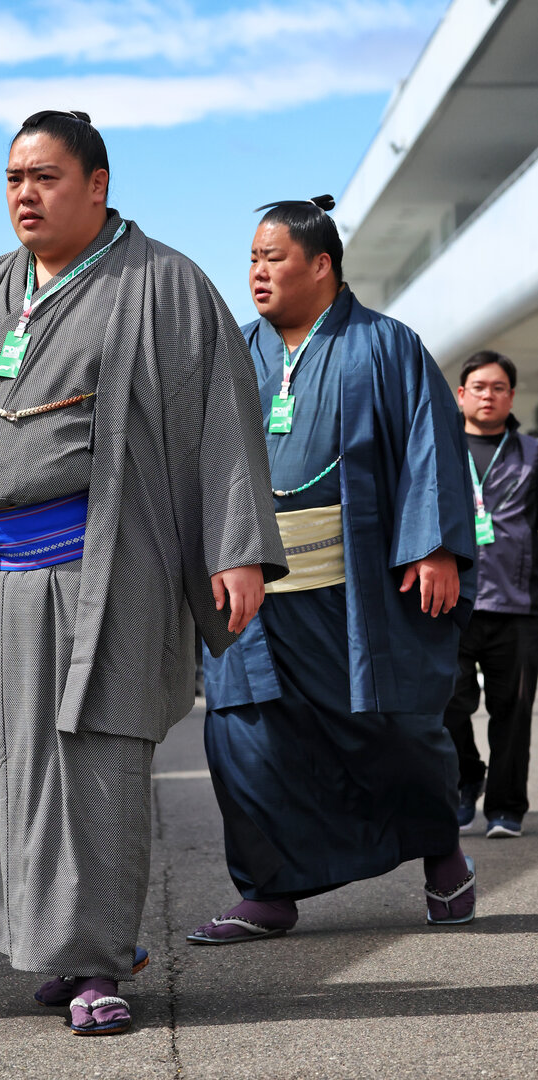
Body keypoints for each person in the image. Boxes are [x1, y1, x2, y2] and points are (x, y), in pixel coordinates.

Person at [0, 110, 286, 1036]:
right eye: (13, 177)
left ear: (97, 183)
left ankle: (98, 963)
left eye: (45, 176)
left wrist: (236, 547)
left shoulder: (165, 285)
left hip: (102, 577)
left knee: (92, 766)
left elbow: (221, 418)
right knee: (10, 768)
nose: (24, 193)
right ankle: (71, 940)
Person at [188, 196, 478, 946]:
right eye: (251, 258)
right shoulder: (233, 351)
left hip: (356, 588)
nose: (255, 272)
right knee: (244, 736)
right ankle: (268, 891)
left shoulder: (386, 345)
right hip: (249, 584)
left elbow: (428, 444)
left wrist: (435, 544)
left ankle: (441, 851)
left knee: (389, 731)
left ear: (320, 265)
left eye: (271, 257)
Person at [443, 351, 538, 838]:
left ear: (511, 396)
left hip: (519, 606)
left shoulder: (531, 454)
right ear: (461, 395)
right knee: (449, 702)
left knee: (514, 710)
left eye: (498, 387)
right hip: (449, 601)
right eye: (478, 386)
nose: (488, 395)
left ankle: (506, 808)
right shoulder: (437, 449)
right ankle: (465, 778)